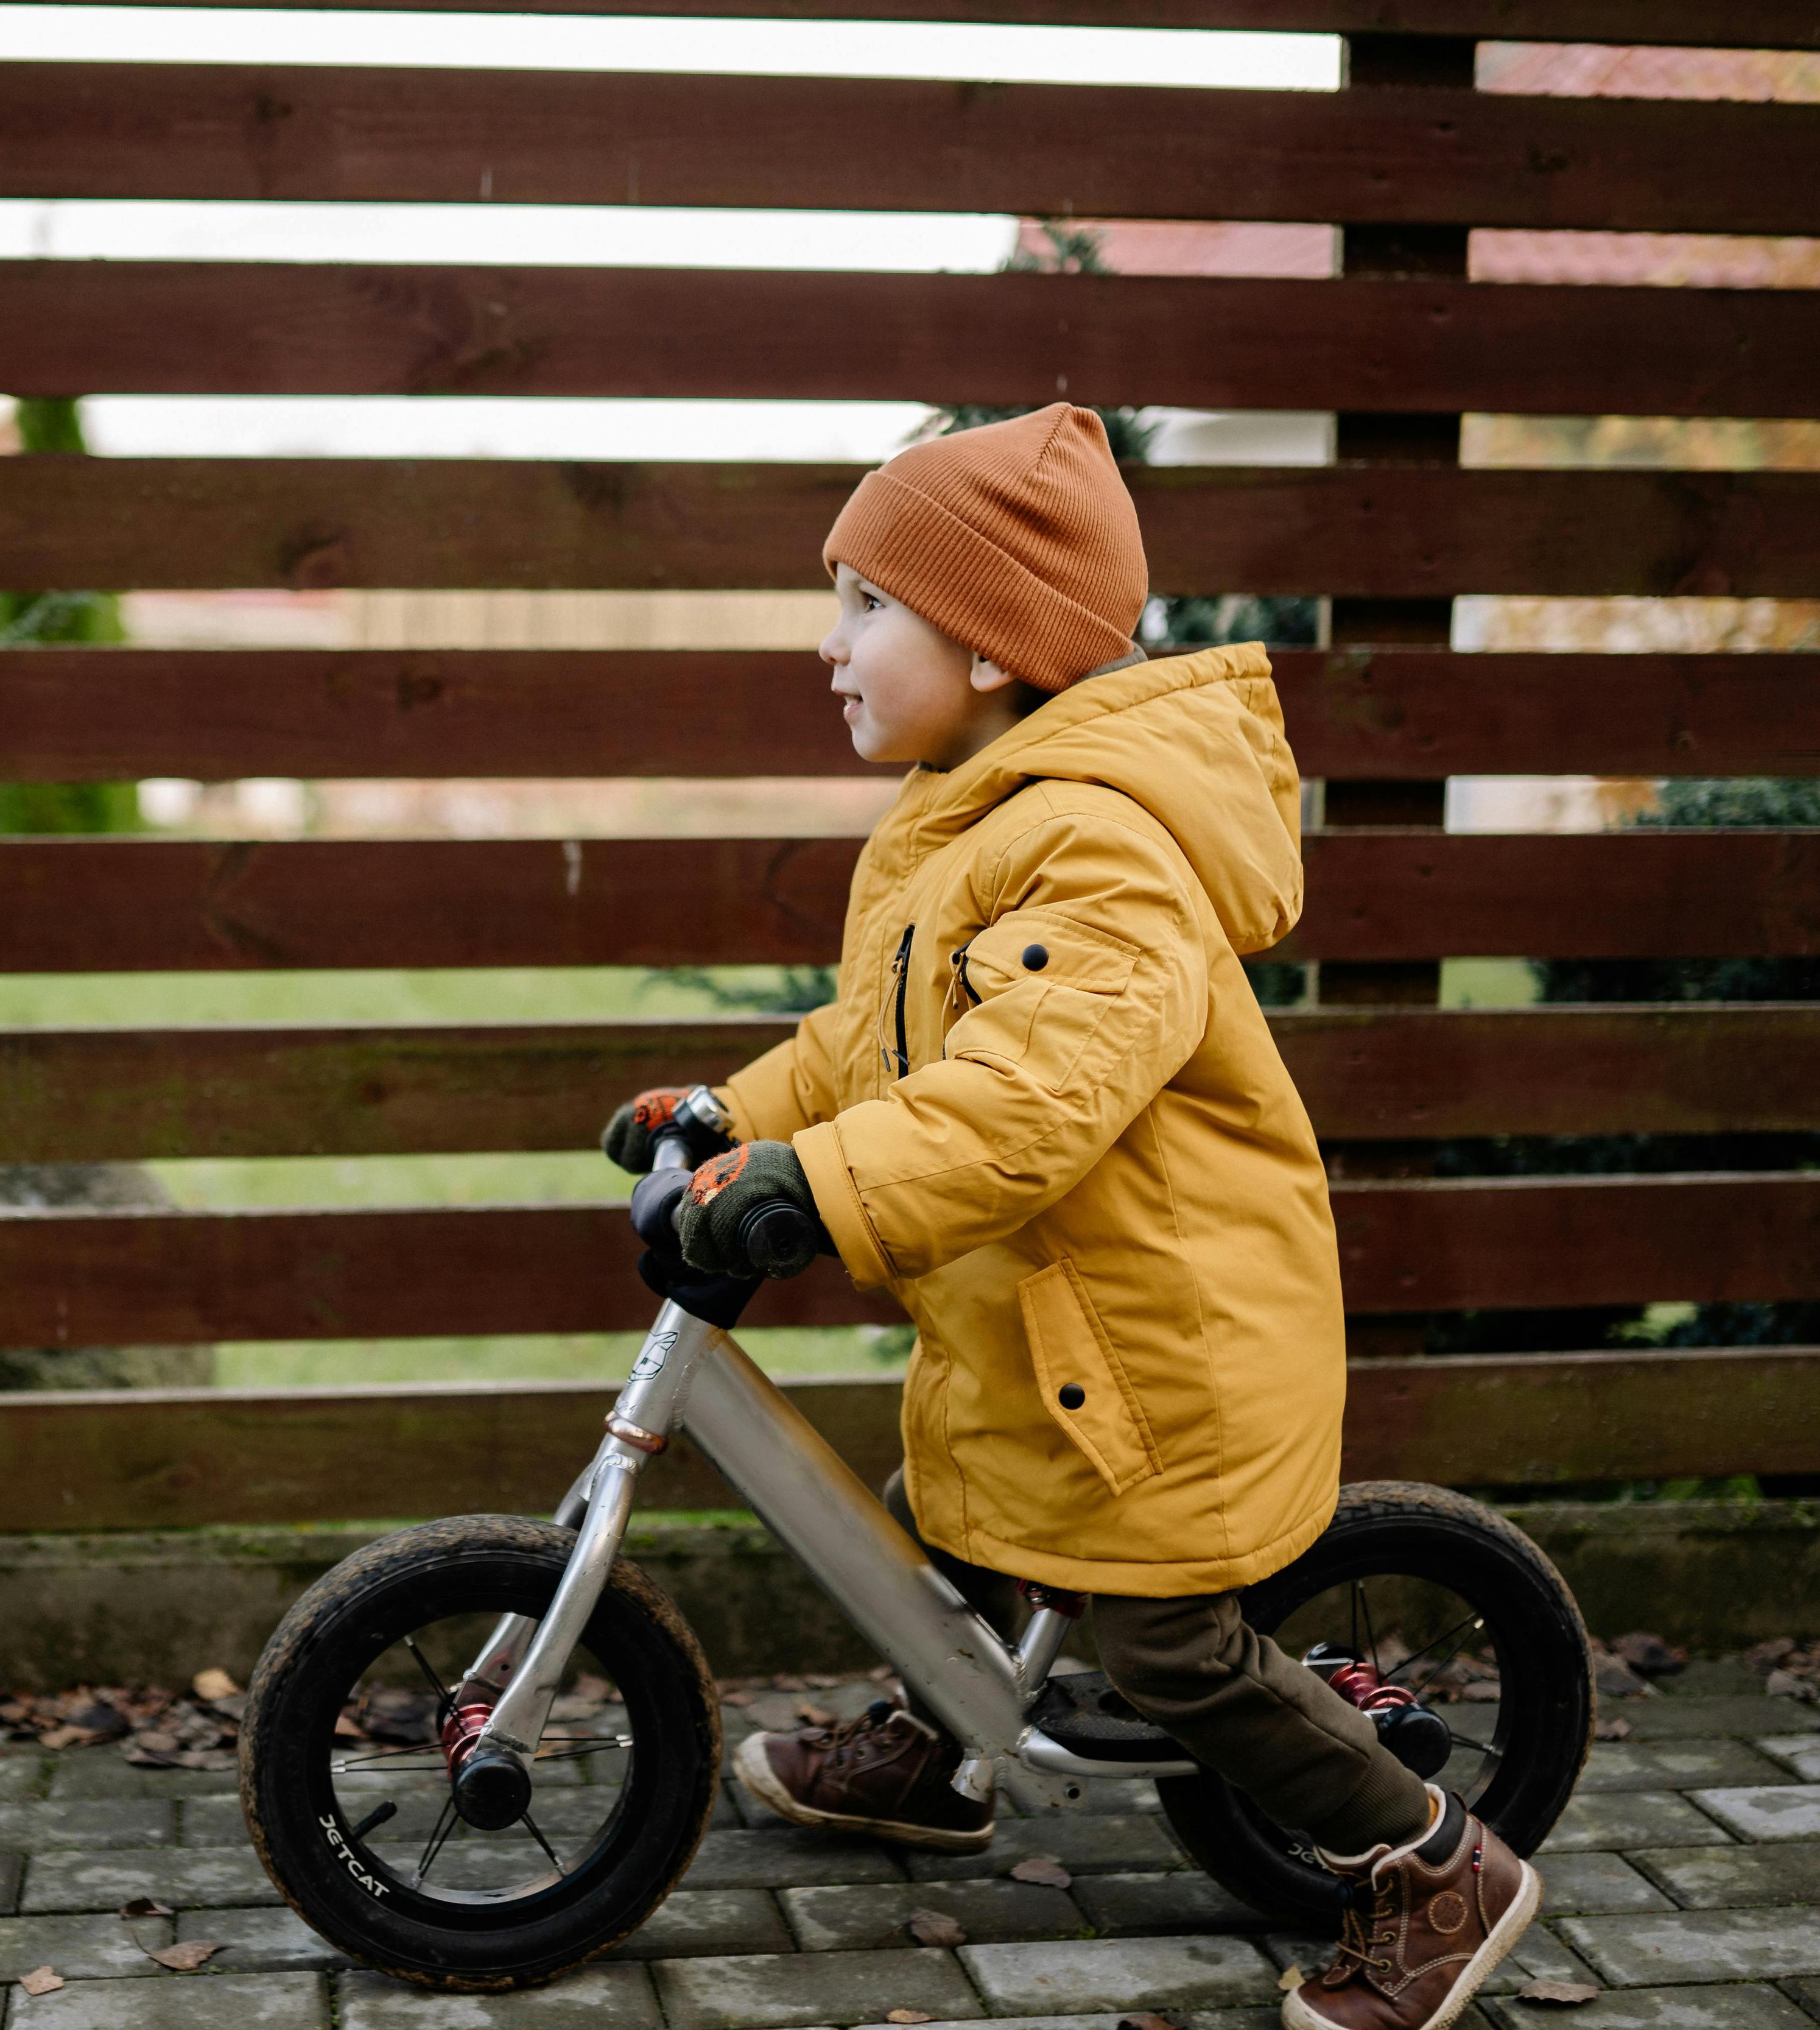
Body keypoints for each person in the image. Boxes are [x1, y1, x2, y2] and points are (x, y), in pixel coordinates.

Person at [599, 405, 1536, 2030]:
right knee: (945, 1515)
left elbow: (1026, 1101)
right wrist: (734, 1117)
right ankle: (947, 1748)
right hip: (1058, 1337)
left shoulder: (1101, 849)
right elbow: (870, 1045)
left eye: (865, 606)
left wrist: (819, 1189)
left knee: (1165, 1651)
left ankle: (1437, 1867)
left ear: (988, 646)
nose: (829, 645)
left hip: (1168, 1349)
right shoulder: (971, 818)